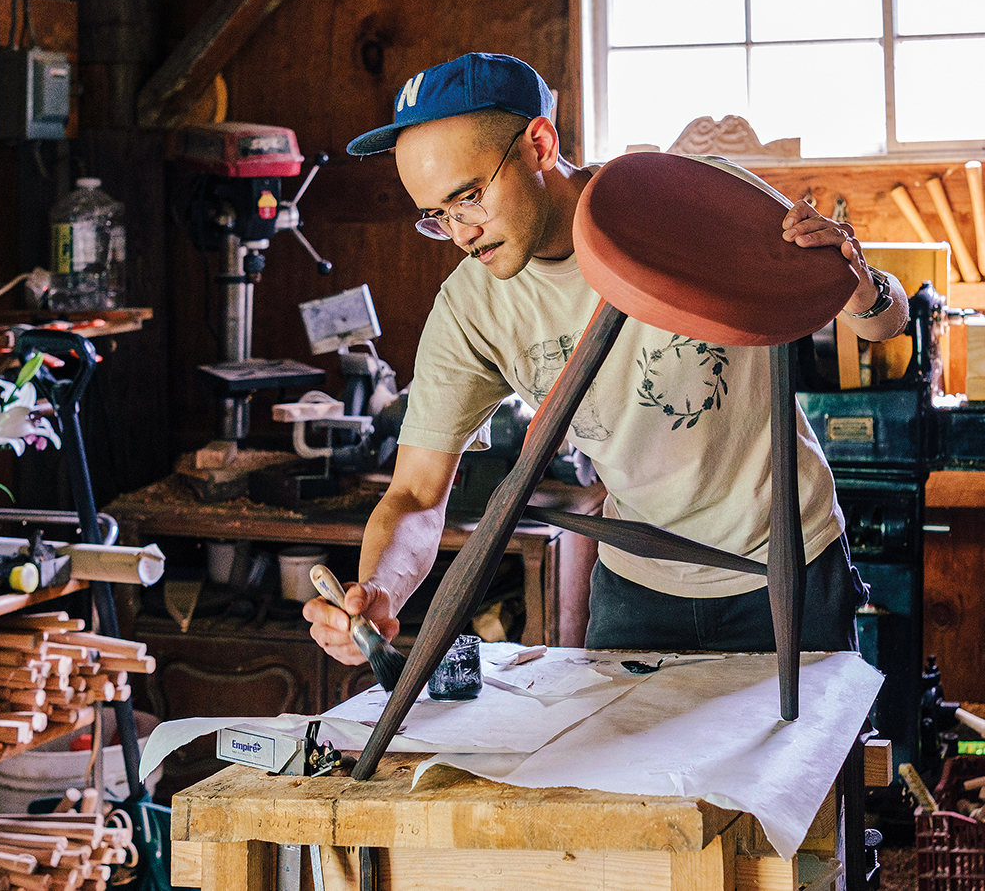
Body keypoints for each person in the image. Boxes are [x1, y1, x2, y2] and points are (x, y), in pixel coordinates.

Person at [305, 52, 909, 667]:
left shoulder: (688, 198)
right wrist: (381, 589)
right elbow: (414, 491)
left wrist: (859, 282)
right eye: (437, 216)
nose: (460, 232)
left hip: (791, 564)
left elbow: (884, 324)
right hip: (638, 581)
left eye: (467, 198)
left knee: (805, 761)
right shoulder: (472, 306)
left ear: (539, 145)